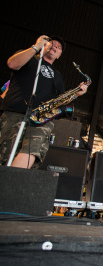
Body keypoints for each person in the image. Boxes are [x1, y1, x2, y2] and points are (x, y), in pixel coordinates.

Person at [0, 35, 88, 168]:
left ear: (59, 56)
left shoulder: (57, 76)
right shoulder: (29, 58)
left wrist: (76, 94)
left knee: (33, 149)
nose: (55, 47)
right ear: (44, 44)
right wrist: (36, 47)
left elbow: (61, 100)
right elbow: (12, 64)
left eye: (59, 48)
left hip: (41, 119)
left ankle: (13, 183)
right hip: (15, 112)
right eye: (52, 43)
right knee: (6, 155)